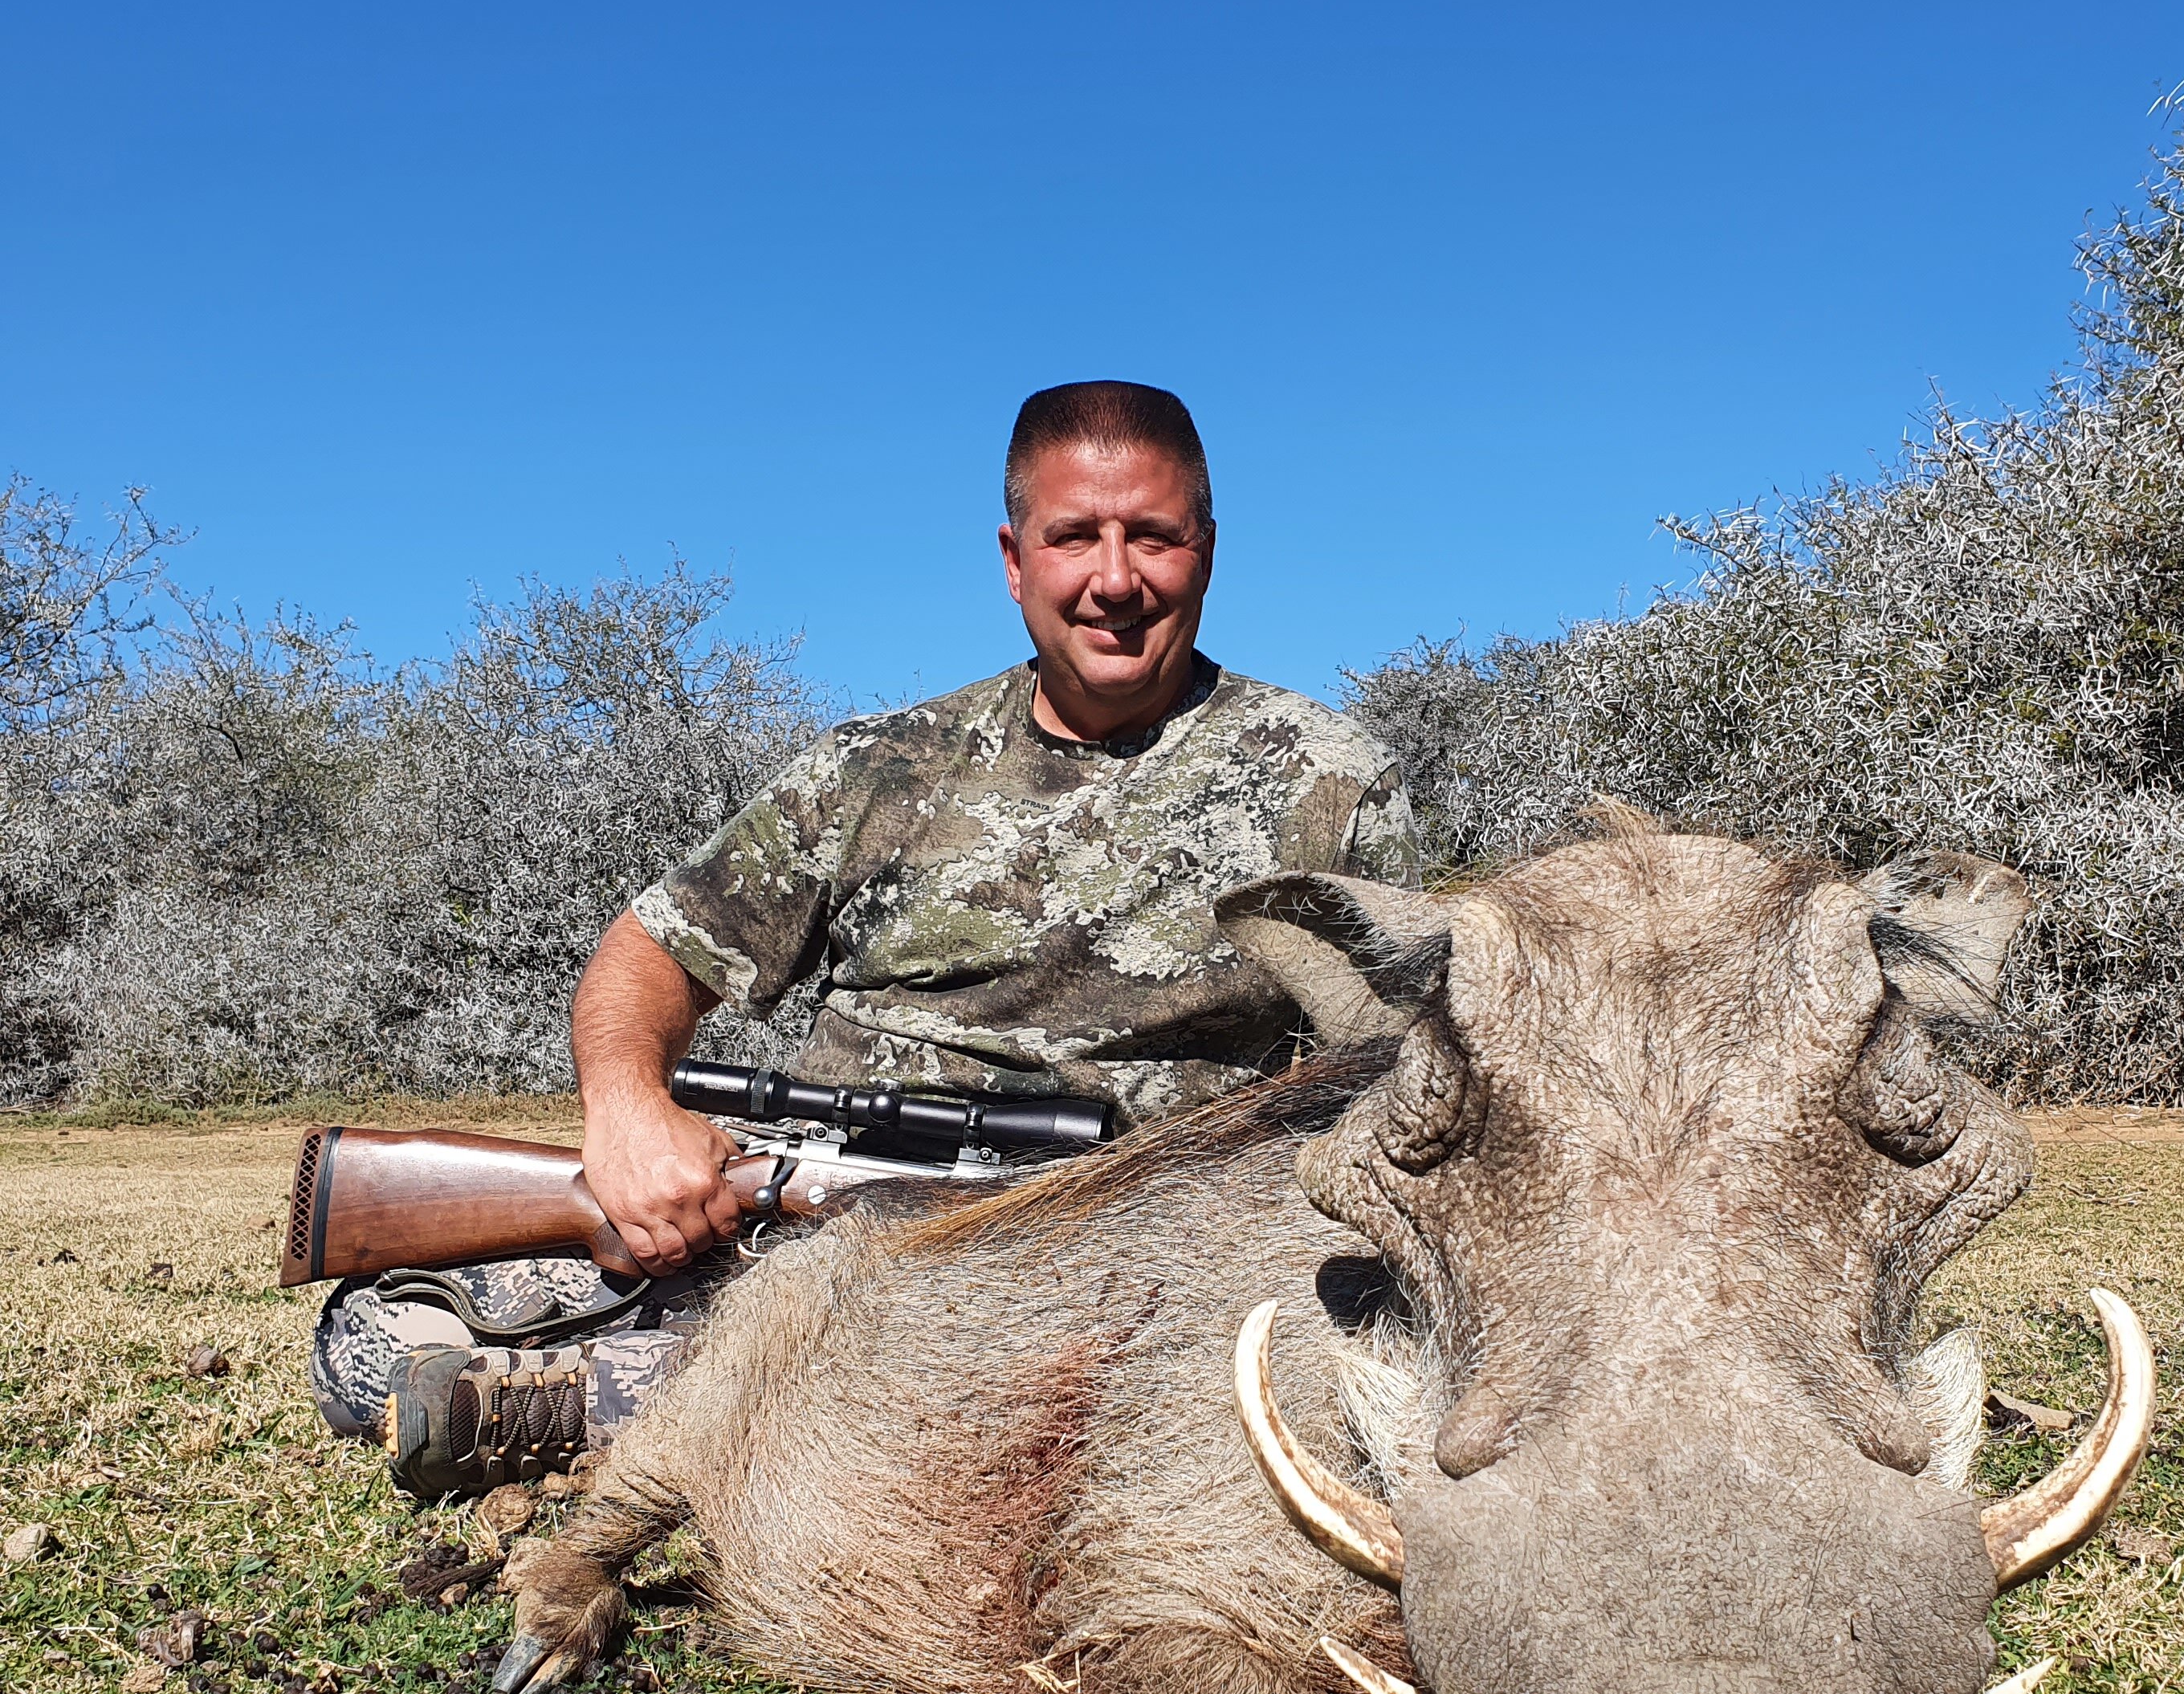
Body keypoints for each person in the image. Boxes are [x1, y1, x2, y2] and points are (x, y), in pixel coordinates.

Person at [314, 380, 1420, 1497]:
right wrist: (632, 1114)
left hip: (1131, 1259)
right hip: (814, 1223)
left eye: (1155, 537)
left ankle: (633, 1410)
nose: (1116, 581)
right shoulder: (876, 766)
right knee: (364, 1338)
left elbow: (1399, 1078)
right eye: (1075, 536)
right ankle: (729, 1406)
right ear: (1013, 556)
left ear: (1209, 549)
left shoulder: (1334, 785)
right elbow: (648, 956)